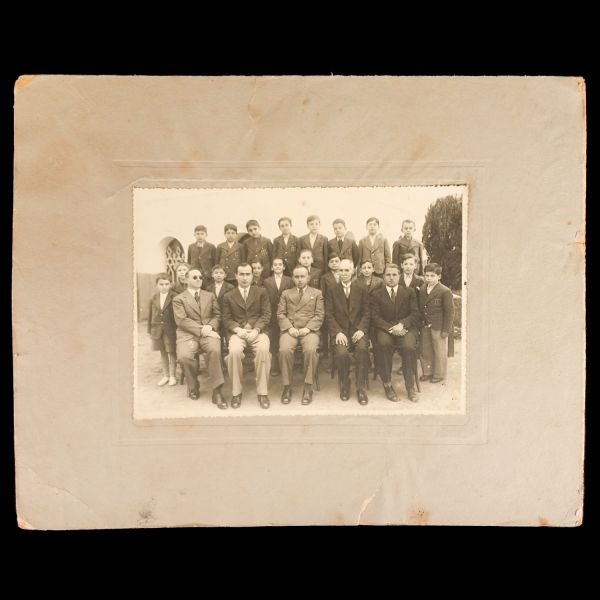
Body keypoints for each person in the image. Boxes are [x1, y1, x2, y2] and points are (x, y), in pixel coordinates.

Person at [172, 268, 226, 408]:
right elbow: (182, 320)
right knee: (184, 356)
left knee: (214, 350)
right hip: (188, 333)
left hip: (209, 331)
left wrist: (211, 326)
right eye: (195, 277)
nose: (199, 280)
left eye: (200, 277)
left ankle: (217, 390)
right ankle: (193, 385)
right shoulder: (179, 299)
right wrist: (203, 330)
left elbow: (217, 315)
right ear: (186, 280)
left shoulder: (210, 295)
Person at [222, 263, 272, 409]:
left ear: (252, 275)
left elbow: (266, 314)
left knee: (263, 350)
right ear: (236, 276)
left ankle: (262, 392)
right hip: (238, 333)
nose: (245, 277)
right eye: (242, 274)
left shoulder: (261, 292)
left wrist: (256, 329)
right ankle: (236, 392)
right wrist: (238, 330)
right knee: (234, 352)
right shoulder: (229, 296)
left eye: (248, 274)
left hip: (258, 331)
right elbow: (226, 318)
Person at [370, 263, 420, 402]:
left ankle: (410, 386)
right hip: (385, 329)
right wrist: (391, 328)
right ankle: (387, 385)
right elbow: (375, 317)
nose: (391, 278)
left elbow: (415, 313)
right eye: (388, 275)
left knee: (408, 347)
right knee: (383, 345)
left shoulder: (409, 292)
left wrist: (402, 324)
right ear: (383, 276)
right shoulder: (376, 294)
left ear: (399, 276)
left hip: (405, 328)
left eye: (394, 275)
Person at [277, 265, 324, 405]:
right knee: (284, 350)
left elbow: (320, 315)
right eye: (296, 277)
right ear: (292, 278)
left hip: (309, 330)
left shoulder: (317, 293)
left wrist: (308, 328)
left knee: (310, 350)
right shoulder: (286, 293)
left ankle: (308, 387)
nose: (299, 279)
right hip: (290, 329)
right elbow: (280, 314)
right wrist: (289, 328)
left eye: (302, 276)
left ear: (308, 278)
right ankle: (287, 386)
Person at [325, 259, 371, 405]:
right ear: (337, 272)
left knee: (362, 350)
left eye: (346, 270)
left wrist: (361, 329)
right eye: (341, 270)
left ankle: (360, 387)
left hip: (358, 331)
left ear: (353, 271)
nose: (344, 273)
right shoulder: (332, 290)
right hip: (340, 332)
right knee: (341, 353)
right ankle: (345, 383)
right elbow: (329, 314)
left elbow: (367, 312)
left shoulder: (361, 288)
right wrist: (338, 332)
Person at [419, 263, 454, 383]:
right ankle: (427, 371)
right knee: (426, 349)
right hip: (425, 324)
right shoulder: (423, 288)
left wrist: (446, 330)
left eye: (432, 276)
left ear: (439, 276)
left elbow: (449, 312)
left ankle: (439, 374)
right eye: (427, 275)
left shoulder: (445, 291)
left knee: (439, 350)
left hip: (439, 325)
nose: (429, 278)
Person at [263, 258, 294, 376]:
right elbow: (265, 298)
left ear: (284, 267)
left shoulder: (289, 280)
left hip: (286, 313)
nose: (277, 266)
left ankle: (286, 365)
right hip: (272, 313)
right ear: (272, 267)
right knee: (274, 339)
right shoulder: (267, 281)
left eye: (280, 264)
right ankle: (275, 365)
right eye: (275, 265)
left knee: (285, 339)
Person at [147, 273, 177, 386]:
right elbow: (150, 315)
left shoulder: (174, 297)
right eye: (161, 284)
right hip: (157, 329)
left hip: (170, 329)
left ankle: (173, 376)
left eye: (166, 284)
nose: (164, 287)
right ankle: (166, 375)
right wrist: (150, 330)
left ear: (170, 285)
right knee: (162, 352)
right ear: (157, 285)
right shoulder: (153, 298)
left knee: (171, 352)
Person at [319, 252, 341, 362]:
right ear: (328, 264)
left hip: (342, 309)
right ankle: (328, 356)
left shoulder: (344, 274)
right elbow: (322, 294)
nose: (334, 263)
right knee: (327, 331)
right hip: (330, 308)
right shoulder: (325, 277)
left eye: (336, 261)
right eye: (332, 262)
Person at [206, 264, 235, 345]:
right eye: (216, 273)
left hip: (226, 315)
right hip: (215, 316)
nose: (218, 275)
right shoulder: (209, 288)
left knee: (228, 336)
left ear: (225, 275)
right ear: (212, 275)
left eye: (221, 273)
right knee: (217, 337)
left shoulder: (230, 287)